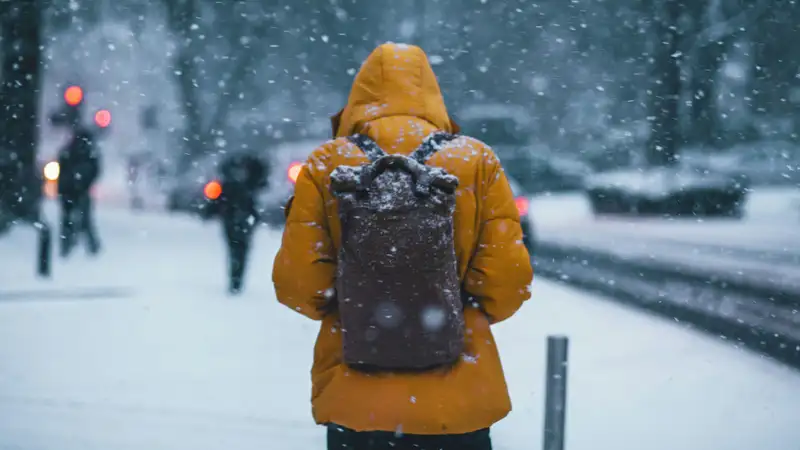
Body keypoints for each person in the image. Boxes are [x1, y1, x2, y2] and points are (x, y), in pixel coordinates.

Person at [273, 43, 533, 450]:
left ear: (359, 96)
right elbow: (508, 283)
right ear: (432, 94)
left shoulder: (327, 164)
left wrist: (361, 306)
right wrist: (446, 310)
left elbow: (298, 285)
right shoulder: (476, 160)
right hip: (458, 405)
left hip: (355, 406)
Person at [204, 153, 268, 294]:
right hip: (242, 219)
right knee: (241, 249)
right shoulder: (250, 183)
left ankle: (235, 278)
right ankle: (237, 279)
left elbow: (217, 201)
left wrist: (211, 212)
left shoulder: (229, 182)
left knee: (235, 249)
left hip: (232, 218)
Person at [57, 121, 101, 257]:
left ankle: (66, 245)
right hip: (80, 190)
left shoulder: (68, 150)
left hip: (68, 190)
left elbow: (62, 168)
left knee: (67, 220)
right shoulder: (89, 153)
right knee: (85, 219)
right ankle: (91, 246)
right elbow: (95, 171)